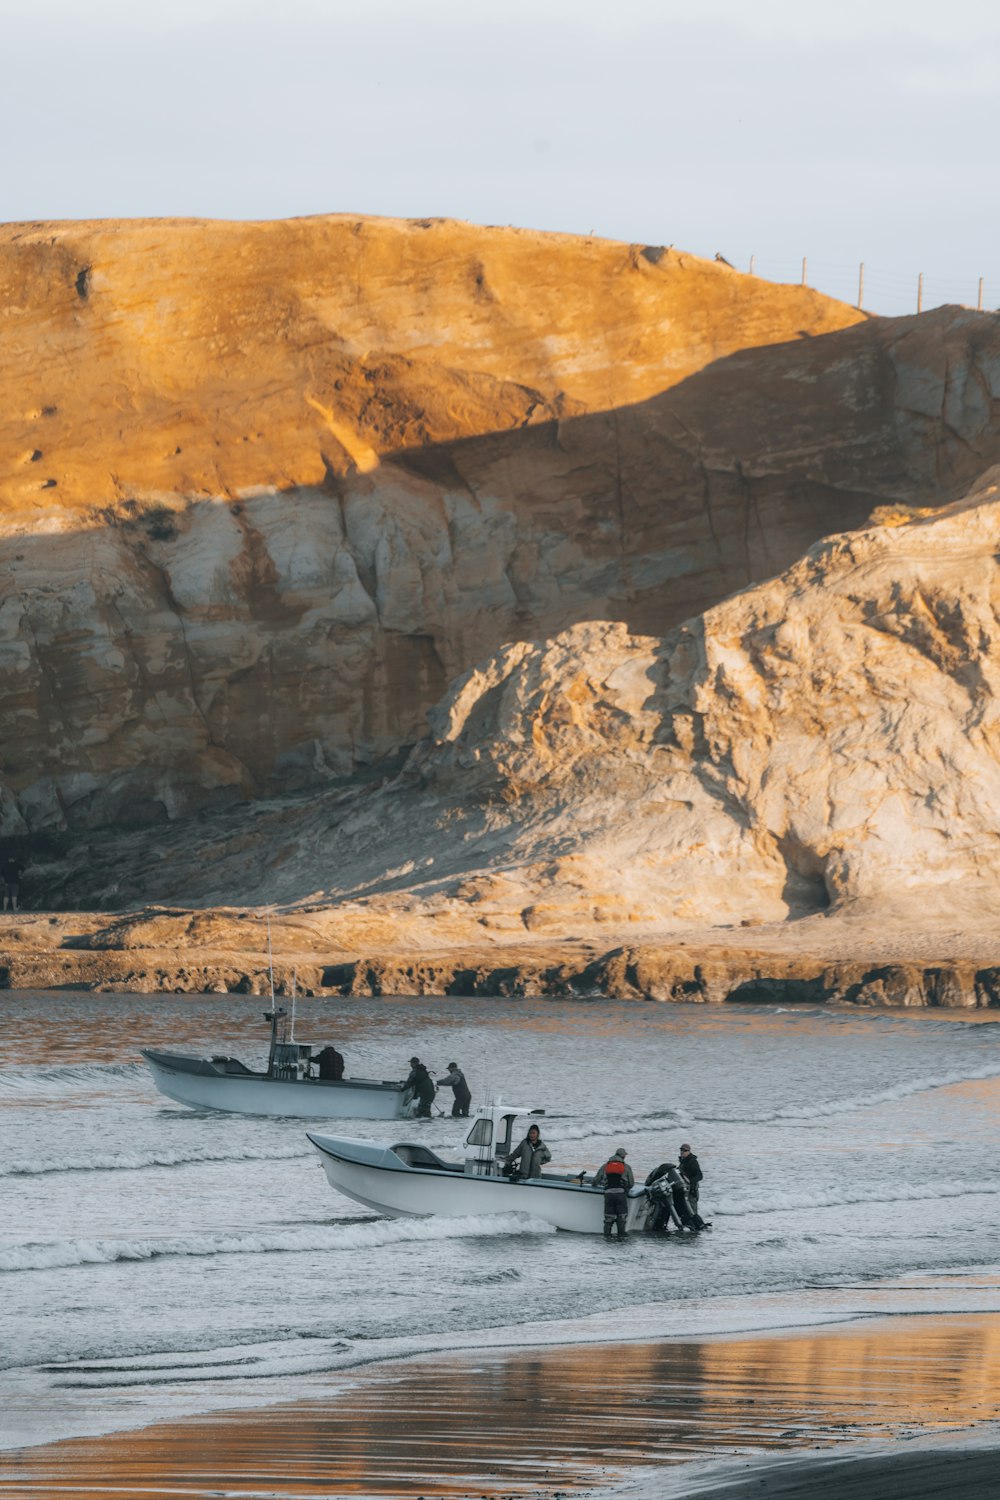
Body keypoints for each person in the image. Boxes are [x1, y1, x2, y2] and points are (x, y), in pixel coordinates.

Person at [593, 1147, 634, 1239]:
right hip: (621, 1195)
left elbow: (596, 1180)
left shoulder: (605, 1166)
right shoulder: (627, 1167)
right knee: (621, 1217)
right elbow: (631, 1183)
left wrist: (594, 1184)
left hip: (608, 1194)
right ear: (623, 1156)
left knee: (609, 1218)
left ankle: (607, 1237)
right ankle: (621, 1237)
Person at [679, 1143, 703, 1212]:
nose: (682, 1152)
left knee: (692, 1211)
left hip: (692, 1191)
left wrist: (690, 1182)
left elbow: (700, 1176)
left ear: (689, 1151)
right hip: (685, 1190)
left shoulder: (692, 1161)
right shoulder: (683, 1161)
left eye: (685, 1150)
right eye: (681, 1150)